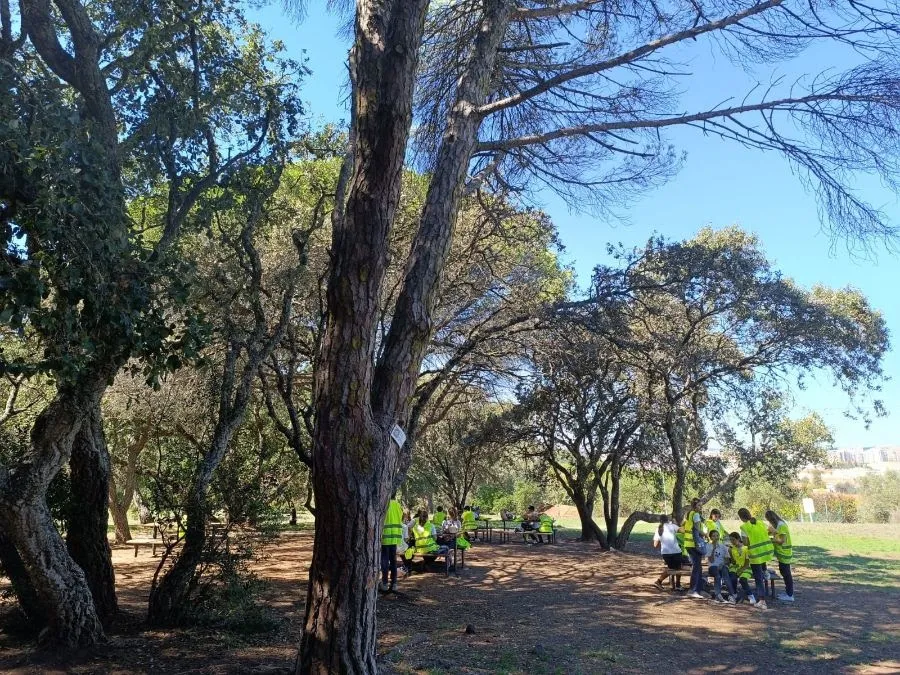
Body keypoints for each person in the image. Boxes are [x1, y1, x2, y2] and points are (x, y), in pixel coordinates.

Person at [738, 507, 773, 610]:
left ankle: (762, 601)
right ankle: (765, 571)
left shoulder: (745, 527)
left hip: (755, 554)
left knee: (758, 578)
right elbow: (771, 531)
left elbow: (745, 543)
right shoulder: (759, 522)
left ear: (741, 518)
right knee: (761, 571)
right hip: (765, 551)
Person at [679, 498, 707, 599]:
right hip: (694, 543)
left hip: (689, 543)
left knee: (698, 567)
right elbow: (697, 528)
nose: (700, 507)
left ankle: (698, 589)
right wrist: (705, 535)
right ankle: (693, 590)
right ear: (694, 506)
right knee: (696, 567)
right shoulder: (695, 515)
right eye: (699, 506)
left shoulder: (689, 514)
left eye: (701, 506)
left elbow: (683, 525)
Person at [765, 509, 795, 602]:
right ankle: (788, 592)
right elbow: (771, 532)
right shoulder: (778, 524)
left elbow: (782, 541)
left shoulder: (781, 525)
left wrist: (771, 540)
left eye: (768, 520)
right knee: (784, 572)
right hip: (781, 553)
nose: (769, 522)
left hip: (784, 553)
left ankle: (790, 595)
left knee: (786, 574)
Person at [380, 493, 404, 592]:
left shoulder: (384, 503)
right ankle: (394, 583)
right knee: (393, 561)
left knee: (384, 561)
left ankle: (385, 583)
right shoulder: (398, 505)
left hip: (385, 537)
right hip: (395, 537)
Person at [653, 515, 683, 591]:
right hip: (676, 551)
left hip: (665, 553)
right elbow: (683, 531)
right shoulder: (672, 526)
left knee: (672, 568)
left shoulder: (658, 529)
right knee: (677, 568)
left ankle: (661, 582)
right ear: (668, 520)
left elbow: (655, 545)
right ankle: (676, 585)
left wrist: (662, 542)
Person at [707, 530, 737, 603]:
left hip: (722, 565)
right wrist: (713, 549)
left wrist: (722, 564)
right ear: (710, 538)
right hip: (713, 566)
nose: (716, 537)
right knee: (717, 576)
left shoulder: (723, 546)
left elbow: (727, 560)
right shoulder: (708, 546)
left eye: (717, 535)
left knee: (726, 576)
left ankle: (732, 595)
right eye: (714, 536)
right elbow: (711, 561)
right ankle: (718, 595)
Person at [727, 532, 754, 604]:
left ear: (738, 539)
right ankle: (734, 594)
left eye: (733, 540)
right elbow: (733, 562)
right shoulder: (732, 549)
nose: (732, 542)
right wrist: (730, 553)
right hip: (735, 567)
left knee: (743, 580)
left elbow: (747, 563)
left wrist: (740, 570)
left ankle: (751, 596)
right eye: (730, 540)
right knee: (732, 578)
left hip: (746, 567)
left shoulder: (746, 548)